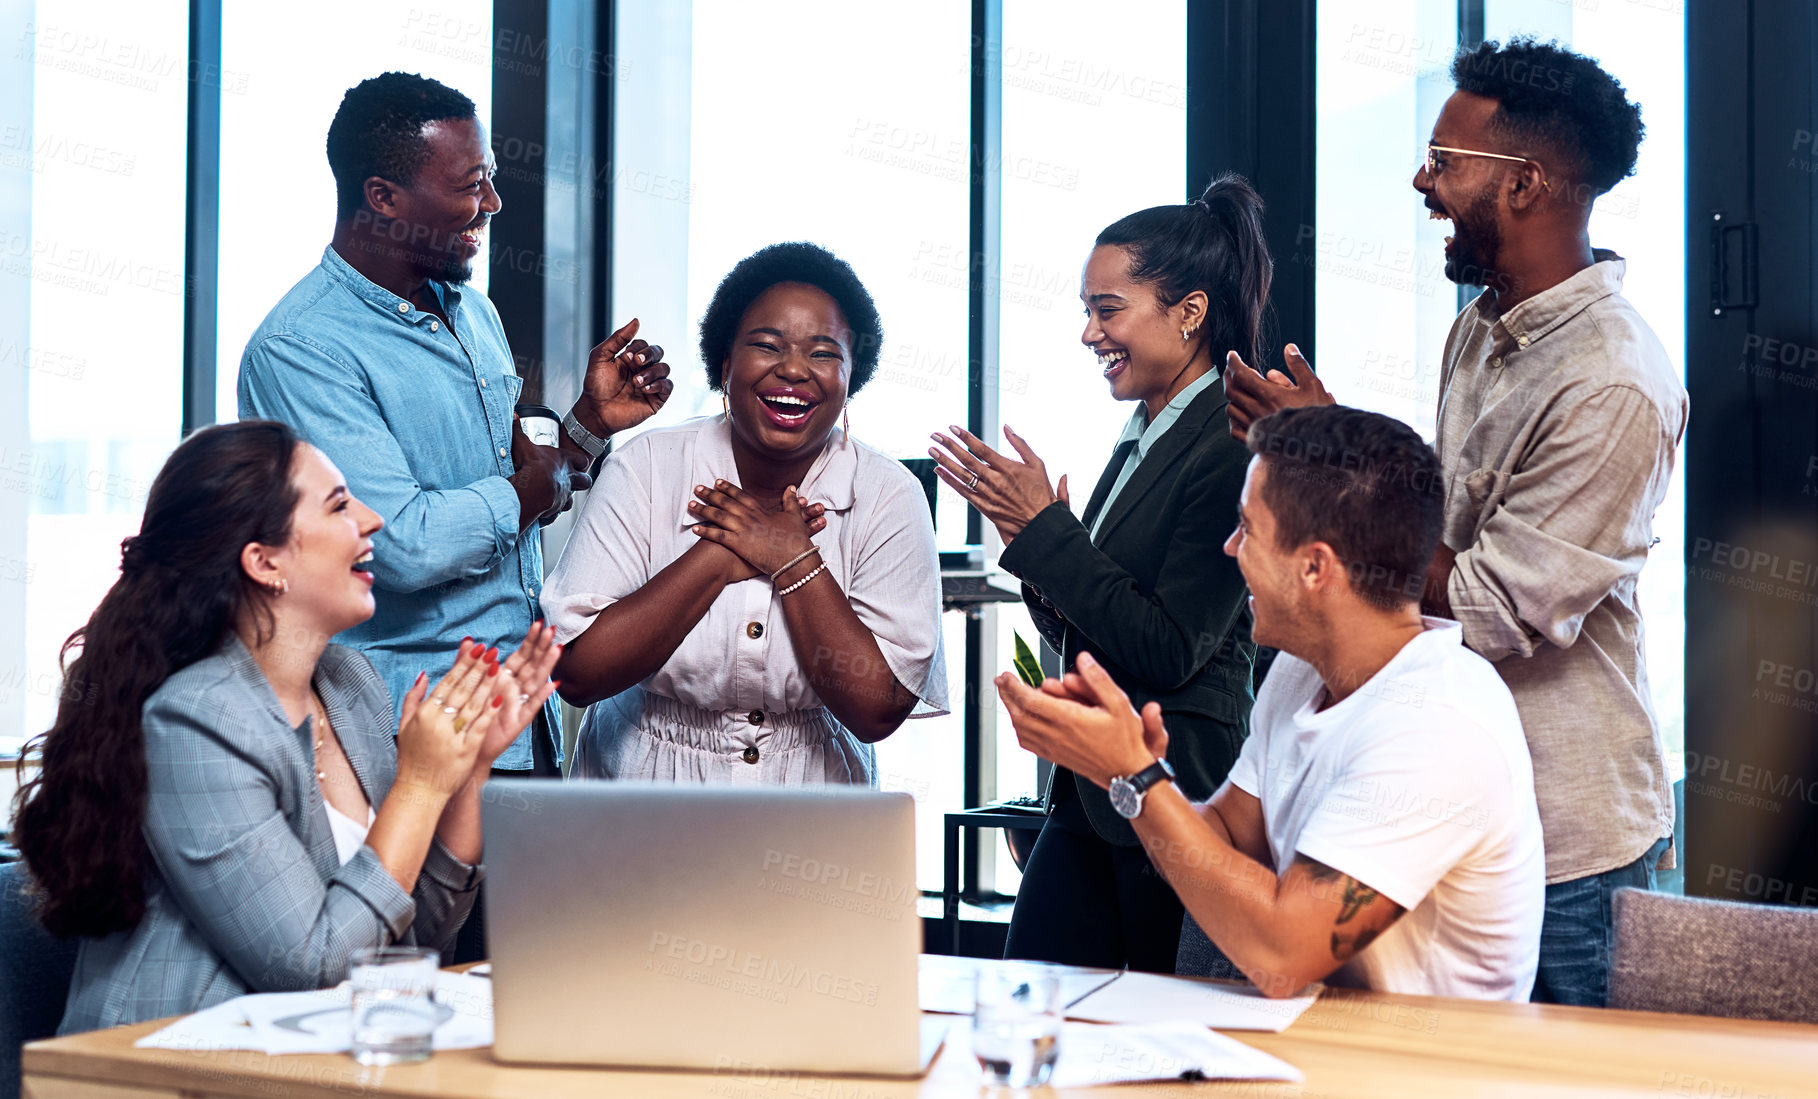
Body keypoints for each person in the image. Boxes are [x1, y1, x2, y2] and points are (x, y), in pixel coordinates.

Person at [1223, 39, 1684, 1006]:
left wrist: (1333, 491)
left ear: (1526, 185)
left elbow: (1477, 605)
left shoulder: (1614, 381)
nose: (1422, 181)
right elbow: (1431, 522)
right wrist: (1332, 451)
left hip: (1564, 839)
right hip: (1416, 811)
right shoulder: (1481, 323)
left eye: (1445, 161)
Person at [9, 421, 560, 1033]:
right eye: (340, 505)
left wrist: (472, 762)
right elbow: (312, 967)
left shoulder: (351, 685)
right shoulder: (195, 717)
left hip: (317, 1057)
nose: (374, 519)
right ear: (265, 560)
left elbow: (403, 936)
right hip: (168, 1068)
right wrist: (421, 784)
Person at [997, 406, 1546, 1001]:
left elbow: (1284, 955)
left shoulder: (1437, 725)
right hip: (1313, 1049)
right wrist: (1119, 767)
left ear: (1315, 567)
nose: (1231, 549)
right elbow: (1232, 834)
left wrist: (1135, 775)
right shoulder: (1298, 672)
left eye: (1247, 529)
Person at [239, 72, 673, 779]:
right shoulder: (302, 349)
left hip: (520, 727)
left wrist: (589, 424)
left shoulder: (476, 315)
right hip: (403, 745)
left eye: (491, 178)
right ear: (383, 198)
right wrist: (535, 488)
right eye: (473, 184)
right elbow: (400, 543)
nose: (493, 204)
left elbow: (522, 481)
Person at [928, 174, 1267, 973]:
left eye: (1106, 308)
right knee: (1036, 996)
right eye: (1088, 309)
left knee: (1146, 1041)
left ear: (1188, 313)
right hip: (1093, 788)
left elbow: (1168, 645)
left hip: (1175, 785)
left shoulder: (1226, 442)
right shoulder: (1143, 433)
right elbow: (1096, 631)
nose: (1089, 333)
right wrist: (1032, 540)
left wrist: (1049, 535)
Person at [542, 243, 947, 782]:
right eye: (767, 345)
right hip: (641, 795)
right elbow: (577, 672)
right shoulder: (645, 467)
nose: (795, 369)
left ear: (853, 377)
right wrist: (720, 554)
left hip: (813, 807)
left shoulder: (889, 493)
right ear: (726, 363)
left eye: (825, 353)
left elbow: (877, 707)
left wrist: (793, 560)